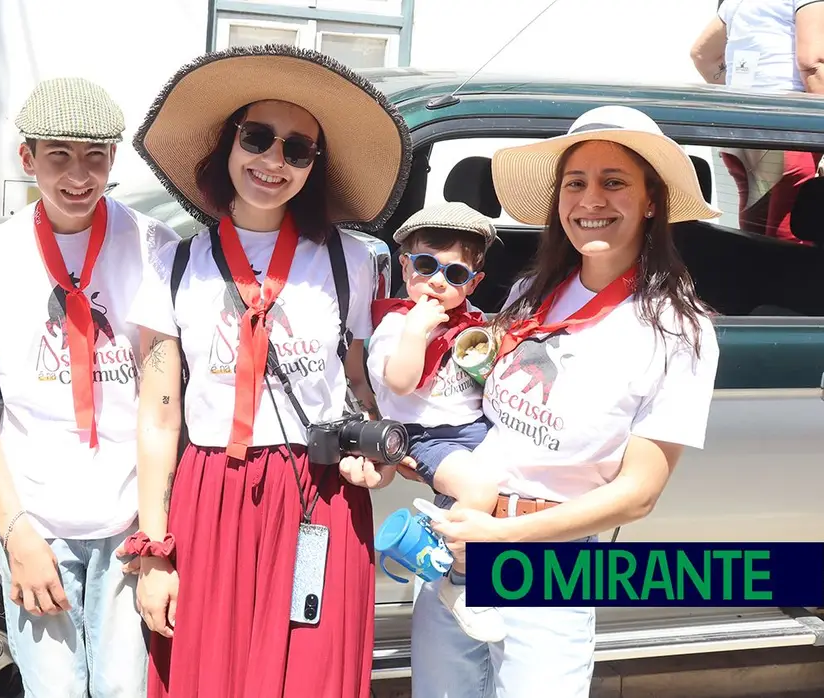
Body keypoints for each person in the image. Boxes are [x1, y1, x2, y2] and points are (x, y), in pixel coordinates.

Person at [125, 44, 414, 698]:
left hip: (321, 497)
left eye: (297, 150)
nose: (273, 162)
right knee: (212, 679)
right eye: (257, 138)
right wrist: (154, 551)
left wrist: (382, 457)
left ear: (316, 165)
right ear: (226, 146)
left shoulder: (350, 262)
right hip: (212, 497)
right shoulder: (175, 268)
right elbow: (157, 415)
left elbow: (362, 388)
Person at [408, 105, 721, 697]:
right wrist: (408, 453)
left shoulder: (680, 329)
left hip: (553, 560)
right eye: (575, 183)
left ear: (651, 201)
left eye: (614, 182)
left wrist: (504, 537)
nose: (590, 199)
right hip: (458, 535)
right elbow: (478, 417)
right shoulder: (534, 291)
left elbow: (638, 494)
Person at [0, 77, 177, 697]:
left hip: (130, 524)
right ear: (26, 158)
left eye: (95, 157)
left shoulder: (152, 244)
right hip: (38, 522)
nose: (78, 176)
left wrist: (156, 535)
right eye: (59, 155)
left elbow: (164, 407)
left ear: (114, 160)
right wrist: (15, 531)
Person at [366, 201, 506, 643]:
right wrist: (416, 331)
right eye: (425, 266)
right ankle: (453, 573)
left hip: (476, 430)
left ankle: (445, 521)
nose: (437, 282)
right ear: (405, 266)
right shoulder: (395, 324)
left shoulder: (473, 325)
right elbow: (401, 383)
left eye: (455, 274)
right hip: (425, 436)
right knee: (480, 489)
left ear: (473, 282)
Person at [689, 0, 824, 240]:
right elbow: (812, 63)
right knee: (791, 238)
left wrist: (747, 94)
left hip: (744, 129)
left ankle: (750, 277)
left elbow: (702, 56)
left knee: (754, 232)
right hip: (787, 126)